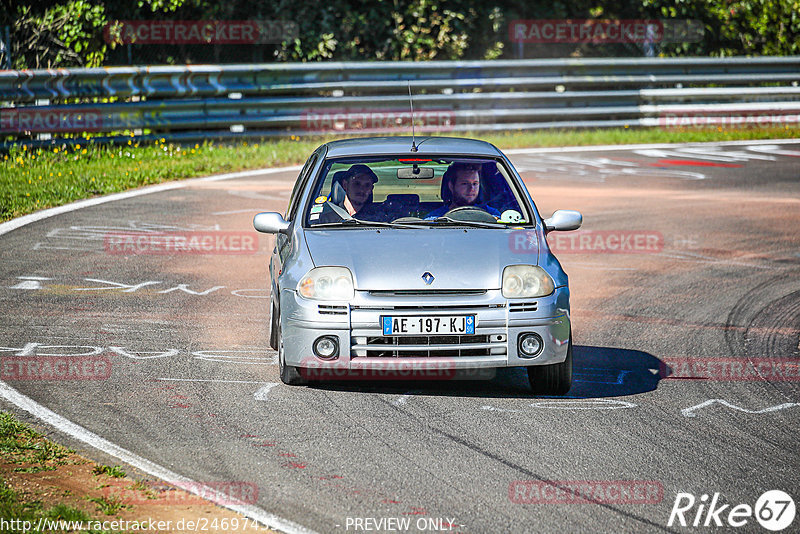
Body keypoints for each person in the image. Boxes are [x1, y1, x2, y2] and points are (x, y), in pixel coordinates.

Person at [425, 162, 501, 219]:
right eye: (465, 184)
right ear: (451, 186)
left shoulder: (492, 215)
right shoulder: (435, 219)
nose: (471, 189)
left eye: (475, 183)